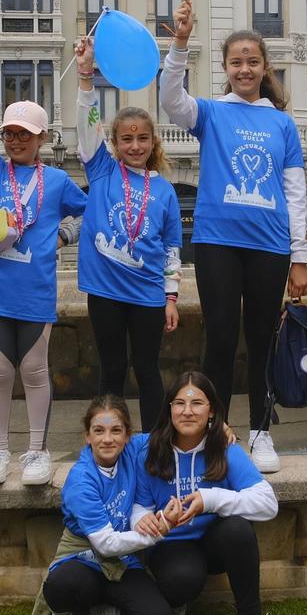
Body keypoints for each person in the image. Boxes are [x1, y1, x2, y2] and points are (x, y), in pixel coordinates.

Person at [158, 0, 307, 474]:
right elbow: (170, 100)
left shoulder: (282, 122)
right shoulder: (210, 112)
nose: (244, 68)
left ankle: (263, 430)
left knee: (262, 338)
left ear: (265, 68)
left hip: (269, 244)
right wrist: (180, 43)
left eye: (252, 61)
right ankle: (215, 434)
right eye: (236, 62)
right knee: (220, 339)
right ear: (225, 68)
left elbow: (294, 191)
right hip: (217, 241)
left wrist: (300, 254)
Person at [0, 50, 87, 487]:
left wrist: (65, 236)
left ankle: (37, 451)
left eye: (24, 135)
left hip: (35, 291)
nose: (14, 141)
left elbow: (90, 212)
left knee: (34, 371)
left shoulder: (58, 182)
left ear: (42, 137)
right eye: (9, 134)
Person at [74, 36, 184, 432]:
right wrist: (86, 76)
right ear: (115, 144)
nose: (134, 145)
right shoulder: (101, 170)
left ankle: (155, 444)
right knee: (112, 369)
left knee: (148, 369)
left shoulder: (166, 190)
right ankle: (109, 439)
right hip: (105, 291)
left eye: (142, 139)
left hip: (147, 294)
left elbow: (172, 249)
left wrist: (171, 298)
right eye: (126, 139)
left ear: (153, 142)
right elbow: (87, 124)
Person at [130, 371, 278, 615]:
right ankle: (176, 608)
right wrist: (143, 520)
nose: (187, 411)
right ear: (168, 408)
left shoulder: (224, 448)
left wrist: (211, 500)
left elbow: (267, 503)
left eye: (197, 403)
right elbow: (140, 506)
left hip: (215, 541)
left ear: (212, 411)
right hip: (173, 544)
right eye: (179, 403)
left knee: (238, 530)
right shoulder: (148, 448)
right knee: (181, 579)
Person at [41, 396, 176, 615]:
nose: (107, 439)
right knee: (61, 585)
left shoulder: (133, 449)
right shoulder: (81, 480)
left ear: (128, 436)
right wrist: (159, 530)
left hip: (124, 561)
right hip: (84, 557)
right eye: (98, 431)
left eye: (116, 430)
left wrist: (218, 428)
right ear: (87, 436)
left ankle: (108, 614)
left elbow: (175, 433)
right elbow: (105, 543)